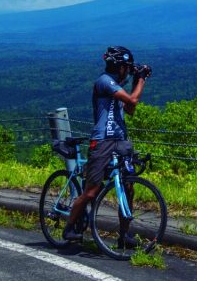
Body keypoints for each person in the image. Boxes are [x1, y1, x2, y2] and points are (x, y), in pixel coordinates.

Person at [63, 45, 152, 243]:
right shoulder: (104, 82)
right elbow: (133, 100)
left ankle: (124, 235)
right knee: (92, 191)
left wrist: (136, 80)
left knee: (128, 186)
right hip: (102, 140)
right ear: (119, 67)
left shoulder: (117, 85)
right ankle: (69, 228)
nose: (128, 70)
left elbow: (129, 109)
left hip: (120, 140)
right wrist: (142, 80)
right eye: (127, 67)